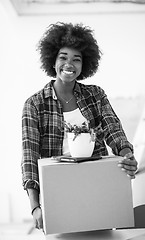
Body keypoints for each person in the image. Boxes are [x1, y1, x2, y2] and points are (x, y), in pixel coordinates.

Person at [21, 22, 138, 230]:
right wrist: (35, 206)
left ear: (85, 65)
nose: (69, 64)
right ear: (53, 60)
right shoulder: (35, 104)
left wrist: (127, 155)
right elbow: (30, 157)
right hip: (57, 191)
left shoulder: (95, 95)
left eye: (77, 59)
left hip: (96, 186)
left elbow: (114, 130)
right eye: (63, 57)